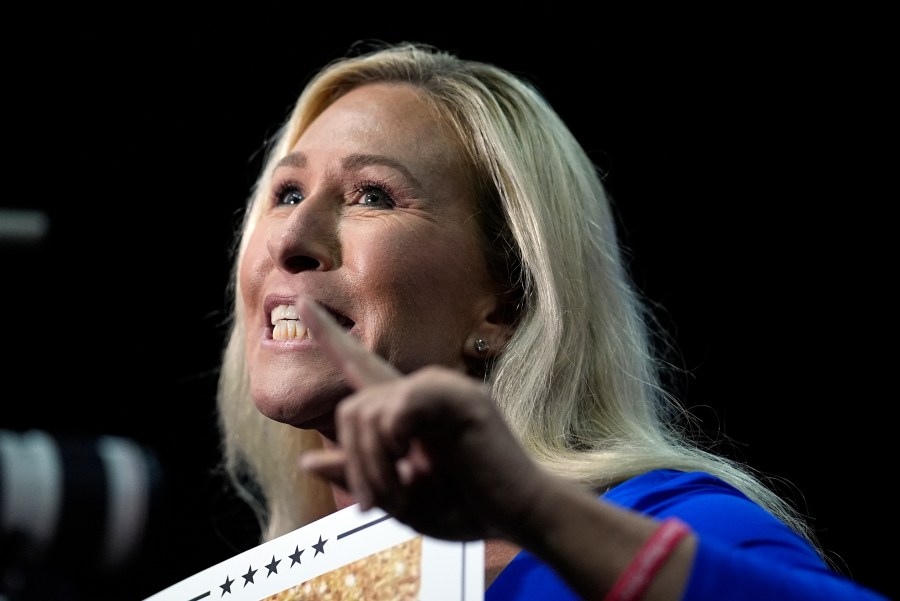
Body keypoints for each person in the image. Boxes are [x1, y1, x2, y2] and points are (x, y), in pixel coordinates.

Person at [213, 40, 888, 600]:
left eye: (372, 195)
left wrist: (536, 513)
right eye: (288, 191)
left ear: (506, 302)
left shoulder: (673, 527)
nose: (289, 236)